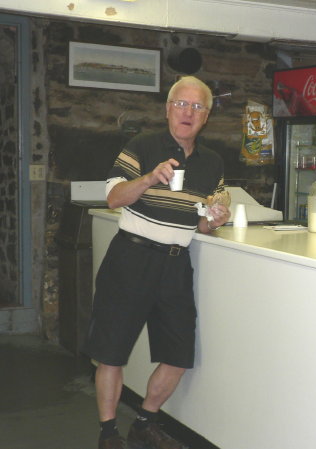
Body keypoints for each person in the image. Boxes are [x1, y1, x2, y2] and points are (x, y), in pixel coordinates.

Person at [83, 76, 230, 449]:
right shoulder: (141, 146)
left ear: (206, 117)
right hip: (131, 258)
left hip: (175, 265)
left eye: (197, 107)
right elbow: (114, 198)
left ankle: (145, 421)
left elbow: (198, 219)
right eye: (182, 104)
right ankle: (108, 433)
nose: (188, 113)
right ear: (167, 109)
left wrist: (214, 219)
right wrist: (148, 178)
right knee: (111, 352)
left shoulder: (212, 162)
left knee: (179, 354)